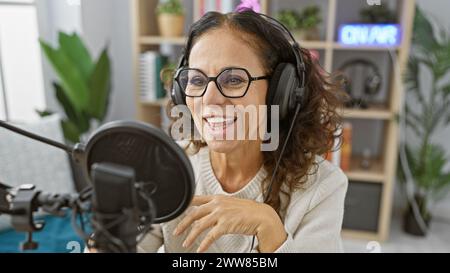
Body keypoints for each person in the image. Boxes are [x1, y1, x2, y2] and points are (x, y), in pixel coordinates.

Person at [141, 9, 348, 253]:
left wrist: (270, 228)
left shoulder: (322, 186)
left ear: (279, 93)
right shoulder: (166, 167)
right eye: (197, 80)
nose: (210, 99)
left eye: (233, 80)